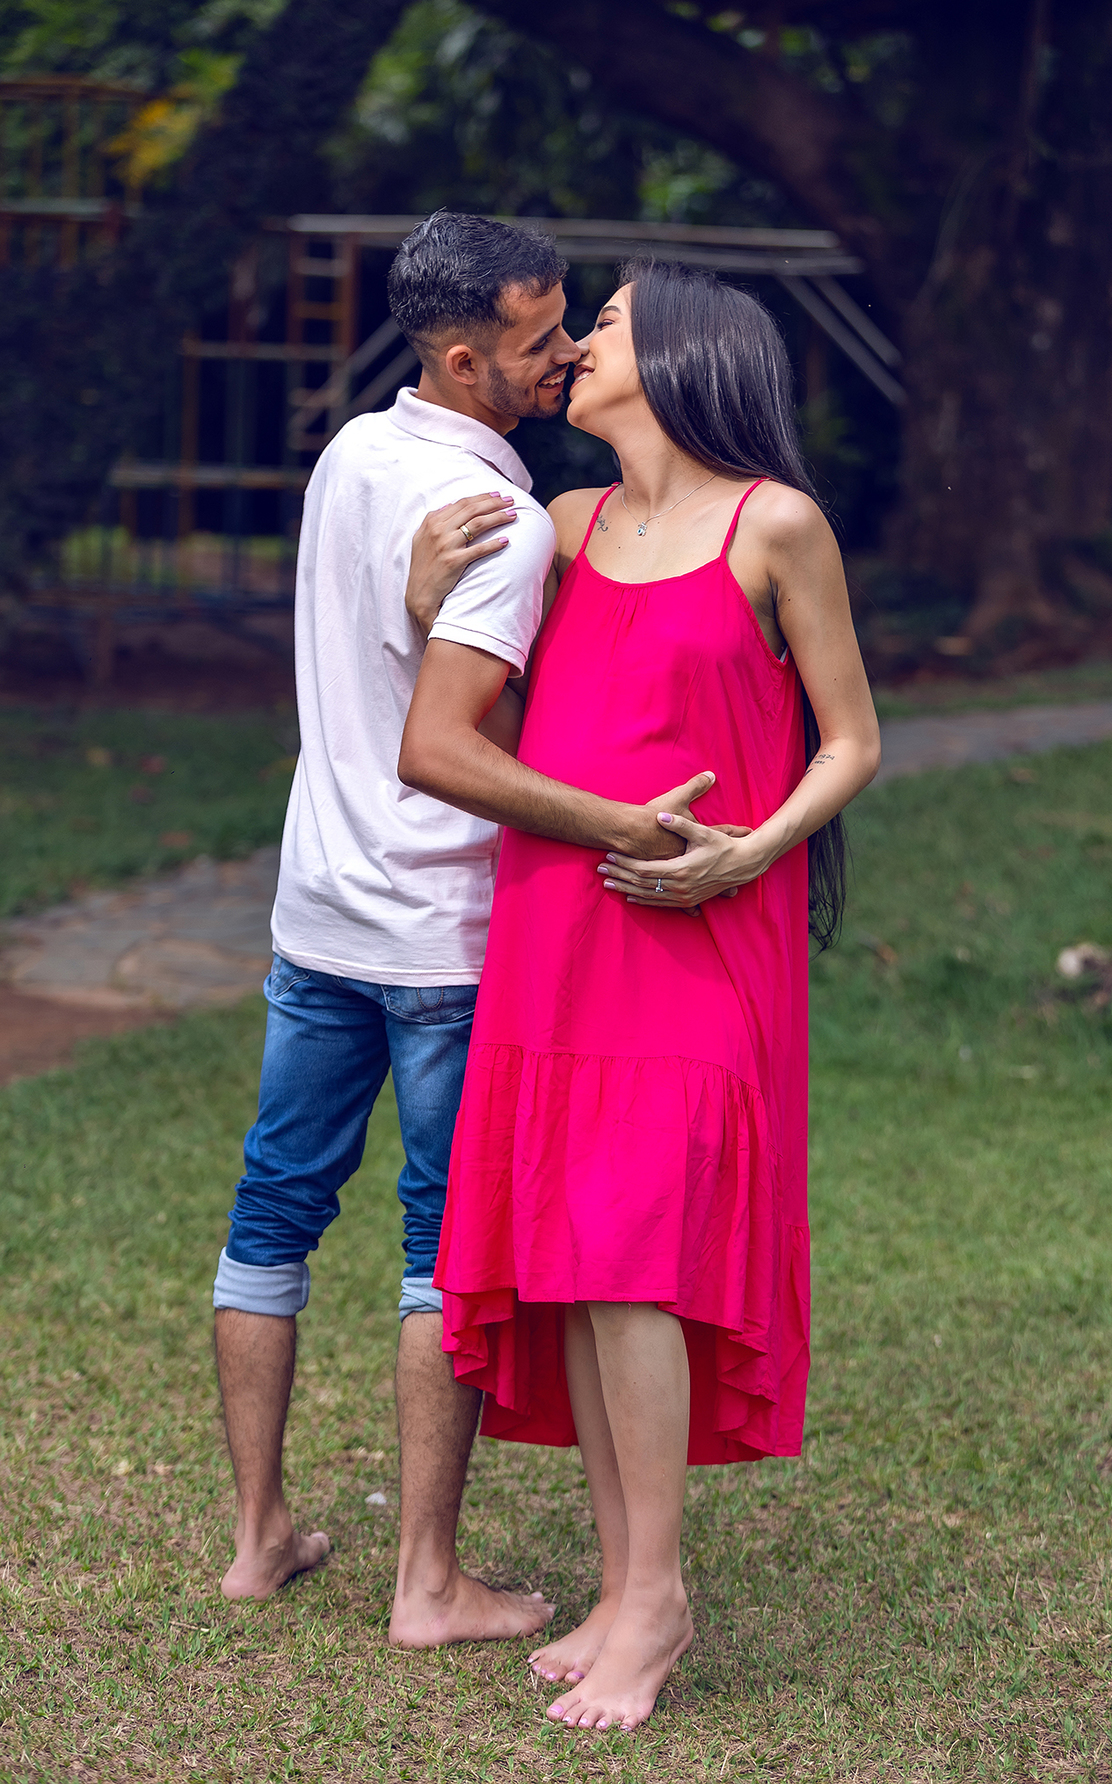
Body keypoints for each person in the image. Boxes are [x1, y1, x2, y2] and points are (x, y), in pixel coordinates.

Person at [210, 212, 709, 1647]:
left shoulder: (351, 457)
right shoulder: (500, 520)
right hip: (439, 933)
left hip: (318, 911)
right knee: (441, 1253)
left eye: (570, 326)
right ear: (461, 357)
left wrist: (420, 606)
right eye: (540, 341)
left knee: (272, 1214)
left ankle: (259, 1539)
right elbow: (447, 744)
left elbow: (381, 659)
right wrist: (616, 823)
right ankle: (426, 1584)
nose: (565, 358)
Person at [399, 260, 881, 1726]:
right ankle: (621, 1585)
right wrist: (421, 598)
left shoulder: (777, 525)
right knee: (577, 1257)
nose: (571, 350)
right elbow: (482, 709)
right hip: (558, 922)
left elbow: (852, 740)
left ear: (677, 357)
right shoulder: (561, 524)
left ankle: (659, 1597)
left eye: (599, 327)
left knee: (630, 1251)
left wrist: (754, 850)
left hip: (703, 927)